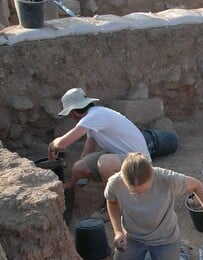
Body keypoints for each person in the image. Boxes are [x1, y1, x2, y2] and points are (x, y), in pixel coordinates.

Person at [106, 152, 203, 260]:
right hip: (133, 238)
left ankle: (182, 252)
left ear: (152, 176)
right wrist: (118, 231)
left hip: (165, 239)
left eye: (144, 190)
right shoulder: (115, 183)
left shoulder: (167, 178)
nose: (141, 195)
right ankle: (148, 256)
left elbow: (196, 185)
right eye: (134, 192)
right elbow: (112, 202)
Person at [48, 88, 150, 221]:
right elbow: (88, 151)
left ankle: (116, 205)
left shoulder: (94, 116)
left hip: (140, 162)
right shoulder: (93, 118)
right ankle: (120, 185)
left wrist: (52, 145)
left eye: (69, 113)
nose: (70, 117)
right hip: (122, 157)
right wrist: (72, 183)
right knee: (78, 168)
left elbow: (62, 143)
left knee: (105, 163)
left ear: (73, 111)